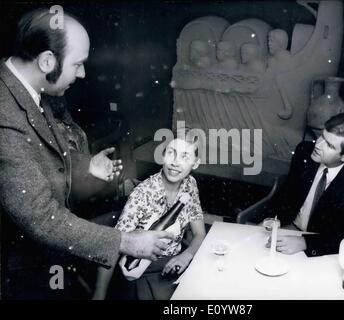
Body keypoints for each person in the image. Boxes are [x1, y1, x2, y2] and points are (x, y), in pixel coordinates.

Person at [0, 8, 173, 299]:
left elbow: (42, 153)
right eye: (77, 64)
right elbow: (41, 219)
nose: (82, 74)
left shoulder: (33, 89)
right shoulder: (4, 115)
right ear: (46, 61)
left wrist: (84, 165)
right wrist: (126, 242)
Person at [93, 134, 206, 300]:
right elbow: (114, 245)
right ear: (163, 155)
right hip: (140, 270)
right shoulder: (143, 193)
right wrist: (99, 295)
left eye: (185, 156)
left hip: (175, 265)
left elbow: (200, 234)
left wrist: (185, 256)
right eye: (171, 153)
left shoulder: (190, 184)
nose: (175, 162)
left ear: (195, 163)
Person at [266, 113, 344, 257]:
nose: (318, 145)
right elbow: (287, 194)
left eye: (330, 145)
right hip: (290, 229)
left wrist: (306, 243)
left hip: (322, 245)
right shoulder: (304, 152)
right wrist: (272, 220)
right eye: (322, 136)